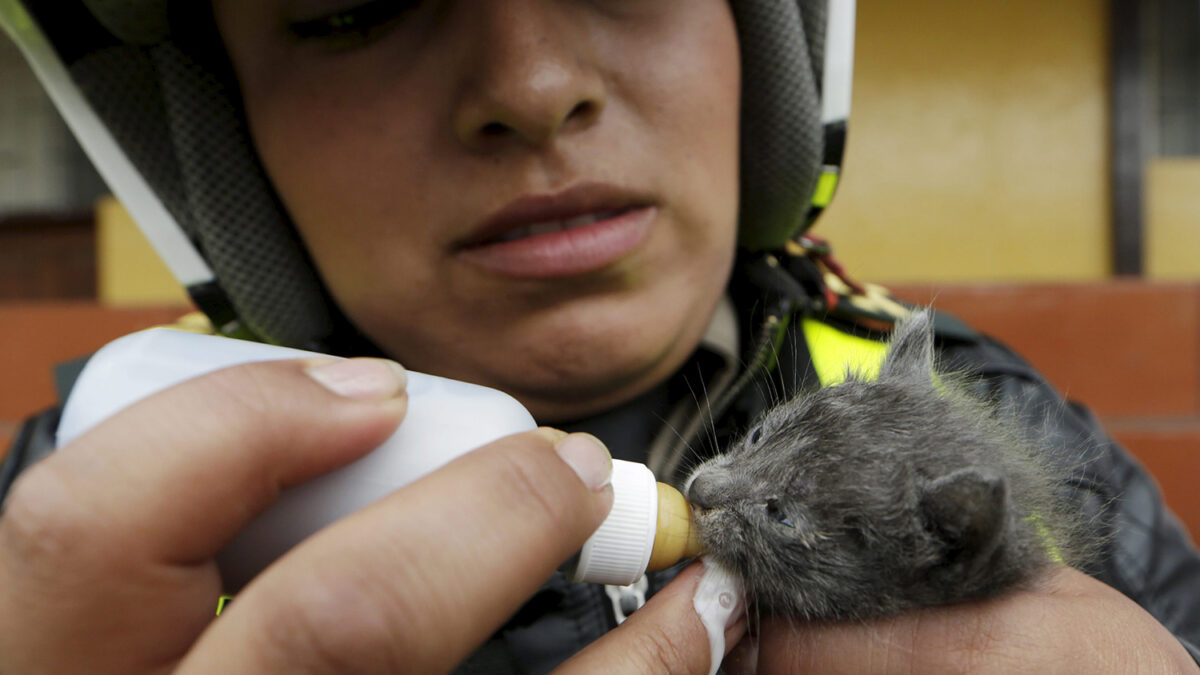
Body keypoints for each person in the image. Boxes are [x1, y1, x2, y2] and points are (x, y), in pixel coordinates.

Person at [1, 1, 1199, 672]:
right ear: (214, 129)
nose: (530, 86)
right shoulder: (64, 538)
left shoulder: (1014, 431)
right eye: (351, 1)